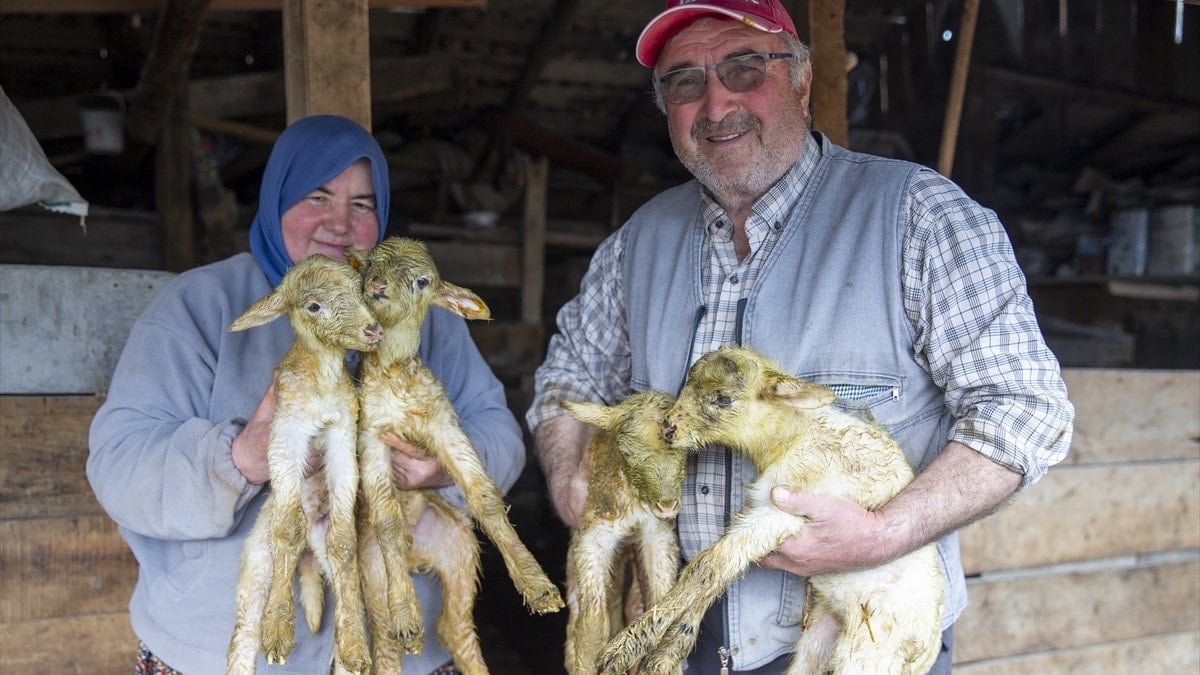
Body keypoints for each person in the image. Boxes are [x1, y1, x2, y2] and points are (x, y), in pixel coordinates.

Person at [526, 1, 1074, 673]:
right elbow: (566, 382)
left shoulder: (919, 216)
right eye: (686, 81)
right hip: (679, 639)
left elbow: (1026, 409)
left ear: (803, 81)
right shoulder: (636, 243)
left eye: (743, 65)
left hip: (861, 632)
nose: (717, 101)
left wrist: (883, 532)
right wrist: (567, 476)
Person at [88, 114, 525, 674]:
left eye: (362, 205)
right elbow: (119, 469)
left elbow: (499, 432)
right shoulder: (199, 308)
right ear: (277, 199)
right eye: (318, 197)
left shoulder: (420, 315)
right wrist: (241, 458)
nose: (339, 225)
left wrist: (446, 466)